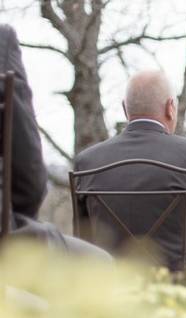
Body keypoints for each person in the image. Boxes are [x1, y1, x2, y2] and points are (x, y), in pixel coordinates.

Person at [73, 70, 186, 270]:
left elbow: (82, 242)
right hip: (179, 291)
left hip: (110, 293)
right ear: (170, 108)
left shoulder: (88, 162)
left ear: (125, 108)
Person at [0, 24, 108, 258]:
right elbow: (28, 179)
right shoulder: (2, 40)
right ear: (171, 109)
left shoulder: (88, 160)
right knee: (100, 262)